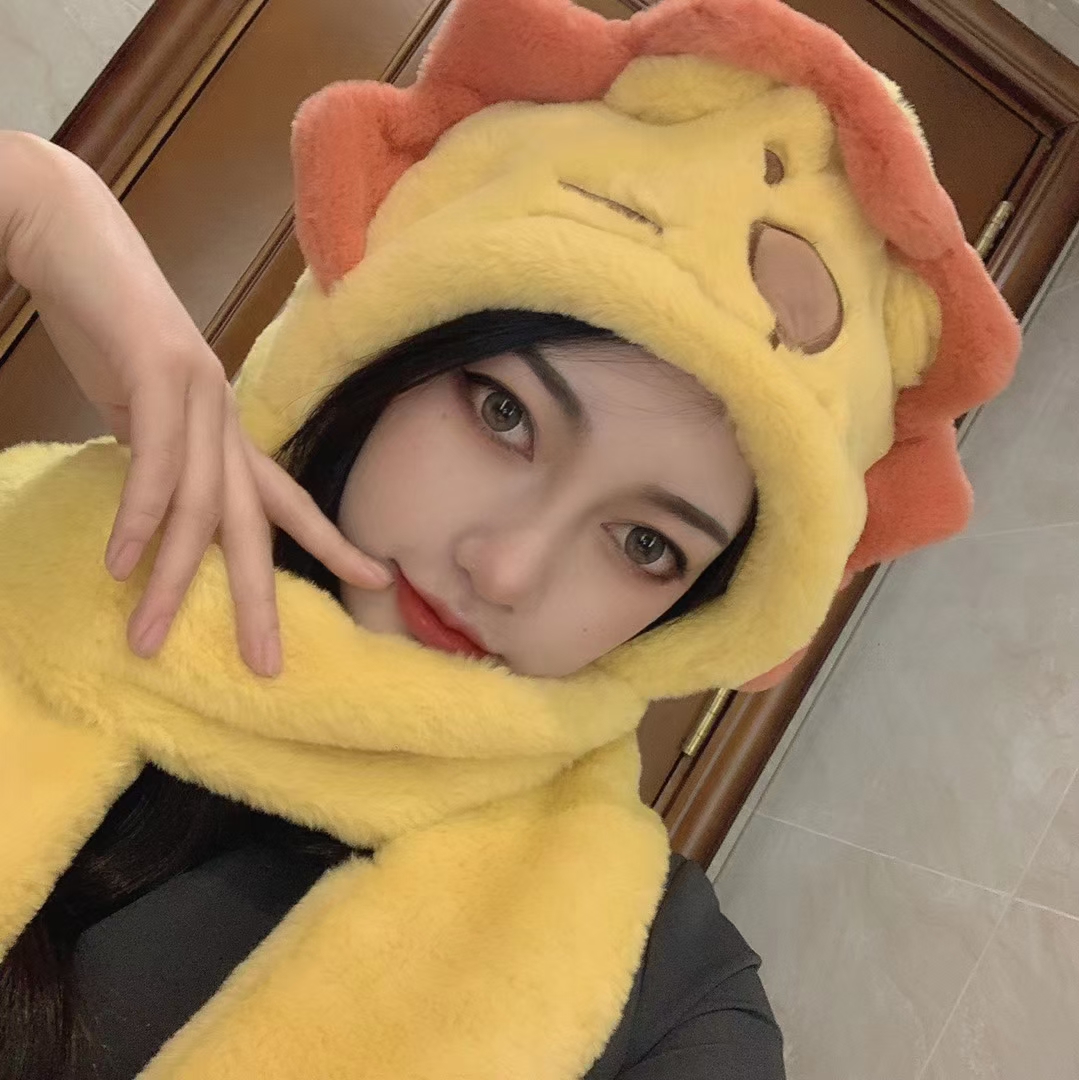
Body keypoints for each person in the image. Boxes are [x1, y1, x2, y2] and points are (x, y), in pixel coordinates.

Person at [0, 0, 1020, 1078]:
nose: (506, 571)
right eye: (504, 415)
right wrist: (34, 203)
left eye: (646, 545)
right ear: (382, 356)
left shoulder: (651, 981)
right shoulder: (36, 540)